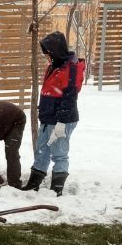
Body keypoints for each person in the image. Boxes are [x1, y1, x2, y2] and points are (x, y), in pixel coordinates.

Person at [22, 31, 85, 195]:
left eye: (48, 52)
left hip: (62, 119)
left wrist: (61, 123)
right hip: (48, 118)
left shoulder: (70, 69)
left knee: (59, 154)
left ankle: (56, 190)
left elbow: (70, 98)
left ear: (56, 50)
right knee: (42, 152)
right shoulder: (53, 66)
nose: (46, 56)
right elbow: (49, 92)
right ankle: (32, 186)